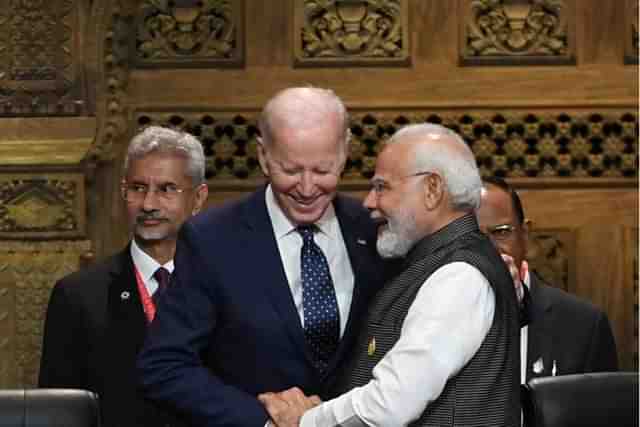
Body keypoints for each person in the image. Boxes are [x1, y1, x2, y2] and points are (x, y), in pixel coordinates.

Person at [137, 87, 390, 426]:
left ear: (345, 152)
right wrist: (265, 420)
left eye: (322, 170)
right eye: (291, 169)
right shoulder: (212, 239)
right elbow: (164, 365)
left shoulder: (375, 230)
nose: (306, 186)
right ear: (263, 156)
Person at [259, 123, 521, 427]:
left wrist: (304, 421)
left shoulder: (458, 276)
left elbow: (390, 405)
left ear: (432, 189)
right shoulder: (435, 263)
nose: (369, 201)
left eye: (382, 187)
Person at [38, 126, 209, 427]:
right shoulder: (79, 296)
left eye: (167, 189)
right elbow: (57, 415)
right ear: (123, 192)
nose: (149, 204)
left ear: (197, 198)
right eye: (138, 188)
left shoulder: (225, 287)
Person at [477, 176, 618, 383]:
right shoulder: (430, 319)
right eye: (472, 236)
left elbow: (602, 414)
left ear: (524, 235)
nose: (488, 249)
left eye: (501, 232)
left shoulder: (585, 326)